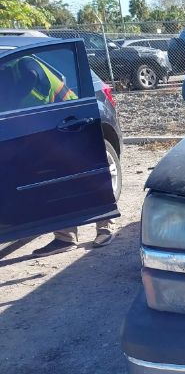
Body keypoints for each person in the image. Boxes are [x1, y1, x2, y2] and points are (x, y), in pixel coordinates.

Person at [0, 54, 116, 256]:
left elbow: (30, 82)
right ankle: (65, 238)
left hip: (71, 119)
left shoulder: (24, 63)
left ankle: (105, 226)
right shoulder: (8, 75)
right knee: (55, 180)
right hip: (45, 128)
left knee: (90, 174)